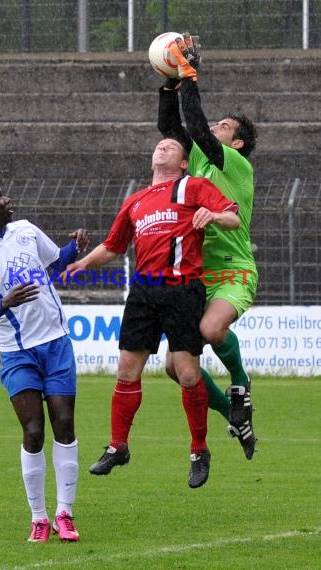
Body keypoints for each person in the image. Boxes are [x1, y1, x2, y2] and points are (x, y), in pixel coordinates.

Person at [65, 138, 240, 489]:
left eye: (171, 146)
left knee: (188, 374)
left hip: (182, 288)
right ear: (151, 159)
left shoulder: (193, 186)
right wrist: (84, 261)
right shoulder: (136, 200)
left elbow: (233, 219)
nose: (163, 148)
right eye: (159, 146)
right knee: (126, 370)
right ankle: (118, 446)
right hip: (144, 291)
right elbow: (113, 246)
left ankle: (199, 450)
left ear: (184, 163)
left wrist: (215, 215)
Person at [0, 181, 90, 543]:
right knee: (33, 431)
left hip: (56, 342)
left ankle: (65, 513)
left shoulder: (26, 230)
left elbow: (57, 263)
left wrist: (73, 247)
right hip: (17, 352)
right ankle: (38, 517)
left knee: (64, 422)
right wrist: (4, 304)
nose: (7, 199)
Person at [157, 33, 259, 460]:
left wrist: (190, 75)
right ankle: (232, 414)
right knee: (175, 368)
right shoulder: (200, 159)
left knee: (211, 330)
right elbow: (172, 128)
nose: (214, 128)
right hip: (198, 273)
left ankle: (241, 385)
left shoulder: (234, 164)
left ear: (235, 143)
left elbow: (195, 126)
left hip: (234, 269)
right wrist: (168, 84)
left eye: (224, 128)